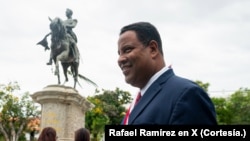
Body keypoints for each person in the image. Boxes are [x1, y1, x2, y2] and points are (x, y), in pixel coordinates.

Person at [118, 22, 217, 125]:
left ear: (153, 49)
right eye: (119, 53)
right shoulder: (137, 102)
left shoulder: (187, 94)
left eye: (127, 50)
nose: (120, 59)